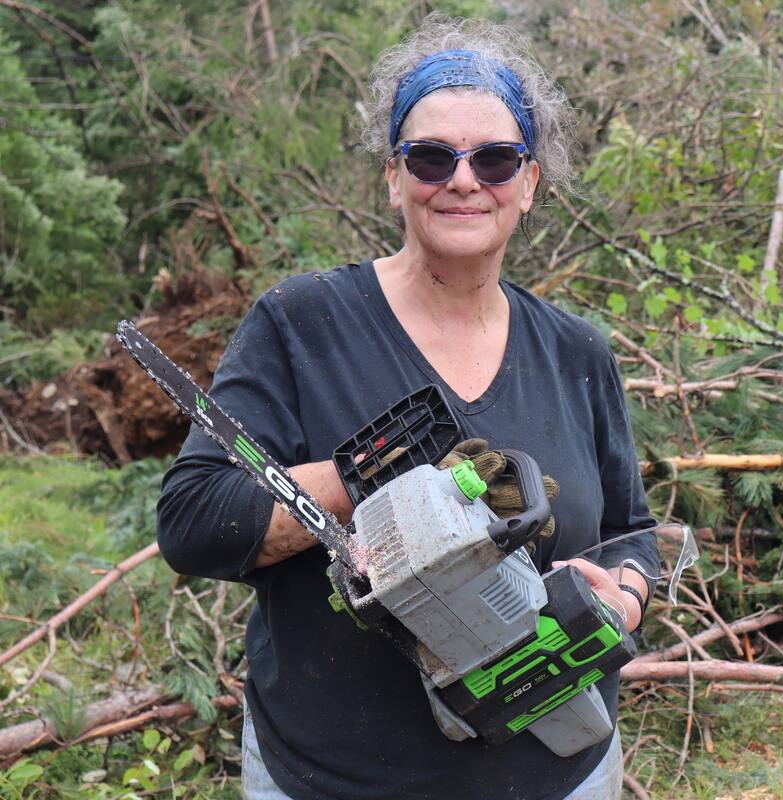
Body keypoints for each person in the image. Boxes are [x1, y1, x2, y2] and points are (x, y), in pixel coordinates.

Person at [156, 17, 659, 800]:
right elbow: (192, 522)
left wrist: (623, 599)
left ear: (529, 184)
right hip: (333, 777)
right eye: (431, 157)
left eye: (495, 159)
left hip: (562, 772)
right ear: (393, 176)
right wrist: (377, 474)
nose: (463, 180)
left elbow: (633, 531)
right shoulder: (301, 324)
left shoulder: (576, 353)